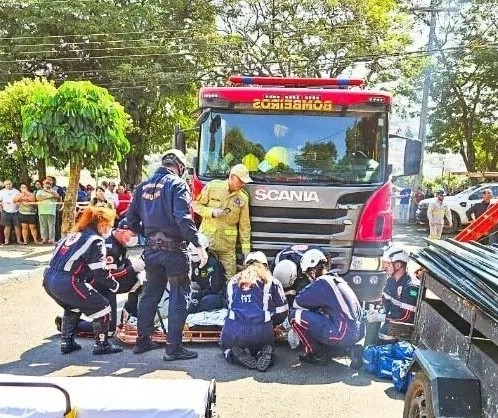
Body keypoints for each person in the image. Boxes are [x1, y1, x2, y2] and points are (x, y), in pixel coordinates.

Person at [127, 149, 208, 361]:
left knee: (150, 293)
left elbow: (131, 220)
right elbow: (183, 218)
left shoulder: (142, 186)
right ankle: (174, 348)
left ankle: (142, 341)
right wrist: (198, 244)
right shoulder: (177, 184)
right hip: (174, 252)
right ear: (180, 166)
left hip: (152, 251)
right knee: (179, 296)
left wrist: (147, 236)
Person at [42, 206, 123, 355]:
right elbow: (100, 272)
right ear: (101, 223)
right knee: (103, 308)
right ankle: (102, 344)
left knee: (72, 306)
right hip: (68, 281)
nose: (110, 229)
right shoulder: (95, 240)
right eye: (110, 225)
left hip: (49, 279)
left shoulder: (72, 236)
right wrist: (114, 284)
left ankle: (67, 342)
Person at [55, 226, 145, 336]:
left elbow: (123, 264)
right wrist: (131, 269)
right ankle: (72, 326)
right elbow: (108, 275)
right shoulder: (109, 247)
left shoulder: (120, 243)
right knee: (109, 330)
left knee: (139, 282)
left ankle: (130, 314)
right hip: (99, 284)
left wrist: (134, 270)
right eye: (133, 235)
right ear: (121, 231)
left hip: (109, 282)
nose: (134, 238)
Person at [222, 251, 288, 371]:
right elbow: (283, 311)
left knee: (224, 344)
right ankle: (265, 353)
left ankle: (232, 354)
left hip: (236, 333)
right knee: (266, 344)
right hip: (262, 332)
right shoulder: (272, 281)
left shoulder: (232, 281)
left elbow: (229, 307)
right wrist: (272, 323)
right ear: (266, 266)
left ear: (245, 264)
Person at [289, 268, 365, 368]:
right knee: (327, 317)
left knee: (294, 316)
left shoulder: (322, 283)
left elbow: (298, 302)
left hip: (342, 333)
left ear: (312, 270)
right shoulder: (337, 280)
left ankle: (316, 354)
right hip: (358, 332)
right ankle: (349, 349)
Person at [192, 163, 252, 278]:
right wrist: (212, 212)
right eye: (240, 181)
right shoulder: (213, 187)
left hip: (227, 248)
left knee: (230, 279)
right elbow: (196, 206)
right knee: (204, 277)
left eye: (244, 182)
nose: (243, 184)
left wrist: (246, 251)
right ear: (231, 177)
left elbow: (245, 227)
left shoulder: (243, 198)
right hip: (207, 244)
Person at [367, 245, 419, 343]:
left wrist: (381, 318)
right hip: (395, 320)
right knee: (372, 325)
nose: (385, 267)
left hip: (407, 327)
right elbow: (386, 302)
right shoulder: (391, 280)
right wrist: (378, 312)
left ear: (398, 265)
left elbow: (406, 317)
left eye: (387, 264)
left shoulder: (411, 287)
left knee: (385, 332)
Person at [188, 233, 226, 314]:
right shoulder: (193, 263)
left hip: (215, 295)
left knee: (206, 303)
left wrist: (198, 295)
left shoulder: (212, 264)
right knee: (188, 307)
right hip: (200, 294)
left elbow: (214, 288)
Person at [36, 179, 59, 244]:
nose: (47, 185)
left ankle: (51, 239)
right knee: (43, 226)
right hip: (42, 211)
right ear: (43, 185)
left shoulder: (53, 191)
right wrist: (49, 196)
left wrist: (49, 192)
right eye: (46, 183)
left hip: (51, 211)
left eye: (48, 183)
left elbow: (56, 196)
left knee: (51, 226)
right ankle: (44, 239)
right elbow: (38, 198)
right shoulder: (40, 191)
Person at [0, 179, 22, 245]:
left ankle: (19, 240)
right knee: (7, 227)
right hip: (5, 211)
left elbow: (20, 200)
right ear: (4, 185)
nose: (8, 185)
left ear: (12, 184)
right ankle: (6, 241)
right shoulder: (1, 192)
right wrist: (1, 210)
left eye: (9, 184)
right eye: (7, 184)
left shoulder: (16, 191)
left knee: (17, 226)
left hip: (16, 211)